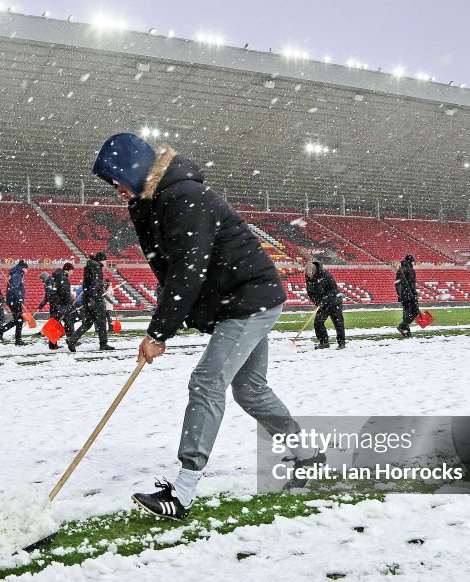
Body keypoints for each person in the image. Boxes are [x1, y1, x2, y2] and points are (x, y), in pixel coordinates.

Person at [92, 132, 317, 520]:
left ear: (131, 170)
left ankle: (182, 492)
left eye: (115, 179)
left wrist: (159, 333)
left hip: (247, 300)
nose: (114, 188)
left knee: (206, 383)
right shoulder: (160, 199)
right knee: (250, 389)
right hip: (245, 297)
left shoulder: (183, 197)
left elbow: (186, 271)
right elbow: (172, 266)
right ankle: (306, 455)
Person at [301, 251, 346, 349]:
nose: (310, 277)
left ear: (314, 271)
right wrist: (317, 302)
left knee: (338, 322)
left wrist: (327, 298)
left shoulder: (325, 275)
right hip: (322, 304)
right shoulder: (309, 278)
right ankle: (324, 342)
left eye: (311, 275)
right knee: (318, 322)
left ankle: (341, 343)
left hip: (334, 302)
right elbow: (311, 293)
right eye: (308, 276)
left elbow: (333, 289)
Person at [70, 252, 115, 350]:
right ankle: (103, 344)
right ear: (101, 260)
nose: (106, 262)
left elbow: (90, 284)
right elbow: (94, 285)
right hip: (95, 300)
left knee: (88, 322)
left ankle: (72, 340)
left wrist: (90, 299)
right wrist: (94, 298)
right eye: (105, 260)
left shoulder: (89, 267)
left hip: (88, 299)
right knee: (102, 321)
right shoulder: (97, 268)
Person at [49, 262, 77, 351]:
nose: (72, 273)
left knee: (54, 324)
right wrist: (70, 303)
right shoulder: (63, 278)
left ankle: (52, 344)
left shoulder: (55, 277)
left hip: (54, 304)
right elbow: (65, 293)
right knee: (69, 322)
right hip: (62, 305)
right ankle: (71, 340)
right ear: (68, 270)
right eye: (72, 271)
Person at [2, 260, 29, 345]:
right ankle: (18, 340)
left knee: (18, 320)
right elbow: (15, 288)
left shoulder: (15, 273)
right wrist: (20, 298)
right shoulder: (18, 275)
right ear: (23, 268)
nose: (27, 271)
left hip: (12, 300)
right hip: (15, 300)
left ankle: (1, 331)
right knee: (19, 320)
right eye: (27, 269)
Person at [395, 253, 420, 338]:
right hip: (409, 295)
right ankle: (403, 326)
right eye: (413, 261)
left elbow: (397, 284)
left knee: (406, 312)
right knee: (414, 312)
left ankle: (406, 331)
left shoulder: (400, 270)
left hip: (403, 296)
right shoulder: (410, 270)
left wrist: (400, 295)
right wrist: (414, 294)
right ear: (410, 261)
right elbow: (411, 284)